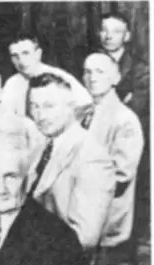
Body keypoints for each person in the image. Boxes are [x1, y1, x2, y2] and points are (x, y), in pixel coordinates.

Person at [27, 73, 115, 250]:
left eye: (49, 106)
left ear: (70, 107)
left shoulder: (91, 155)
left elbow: (85, 237)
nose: (40, 115)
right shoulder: (41, 145)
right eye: (34, 106)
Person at [82, 53, 145, 249]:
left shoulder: (125, 120)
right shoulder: (79, 113)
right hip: (78, 200)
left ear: (116, 78)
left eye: (100, 72)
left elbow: (120, 176)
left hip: (106, 209)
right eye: (87, 72)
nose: (92, 78)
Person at [1, 32, 91, 119]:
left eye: (26, 53)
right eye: (15, 56)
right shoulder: (11, 84)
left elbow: (87, 104)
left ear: (38, 53)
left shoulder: (58, 76)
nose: (21, 61)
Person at [97, 12, 149, 122]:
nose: (108, 36)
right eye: (104, 30)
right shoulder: (91, 64)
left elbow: (136, 109)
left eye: (116, 31)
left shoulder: (141, 69)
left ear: (127, 36)